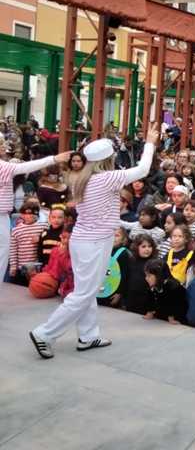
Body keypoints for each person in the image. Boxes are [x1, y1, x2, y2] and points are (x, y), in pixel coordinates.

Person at [29, 124, 159, 359]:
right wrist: (149, 142)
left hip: (81, 240)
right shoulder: (107, 178)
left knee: (84, 291)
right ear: (107, 159)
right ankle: (45, 333)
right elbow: (143, 169)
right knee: (83, 294)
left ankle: (88, 336)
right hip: (95, 242)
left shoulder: (81, 178)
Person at [0, 148, 71, 280]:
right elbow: (25, 167)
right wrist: (54, 159)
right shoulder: (3, 166)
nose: (4, 147)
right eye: (1, 144)